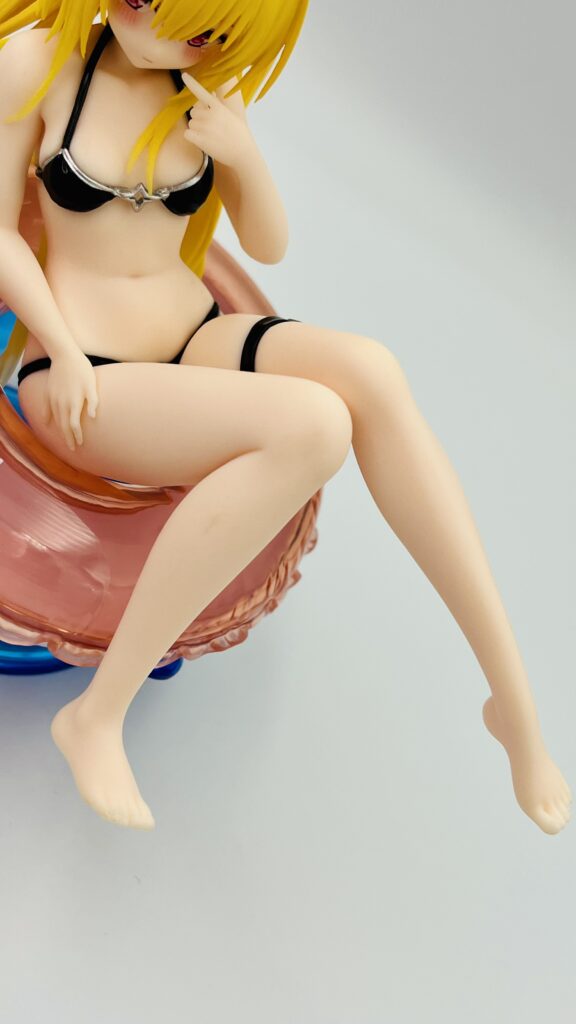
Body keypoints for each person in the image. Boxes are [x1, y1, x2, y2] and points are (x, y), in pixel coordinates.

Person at [0, 0, 570, 834]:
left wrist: (242, 154)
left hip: (193, 337)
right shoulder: (40, 60)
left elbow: (267, 244)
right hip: (81, 375)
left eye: (200, 29)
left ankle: (512, 699)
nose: (160, 31)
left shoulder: (203, 93)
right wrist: (59, 340)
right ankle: (98, 714)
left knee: (372, 370)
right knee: (314, 426)